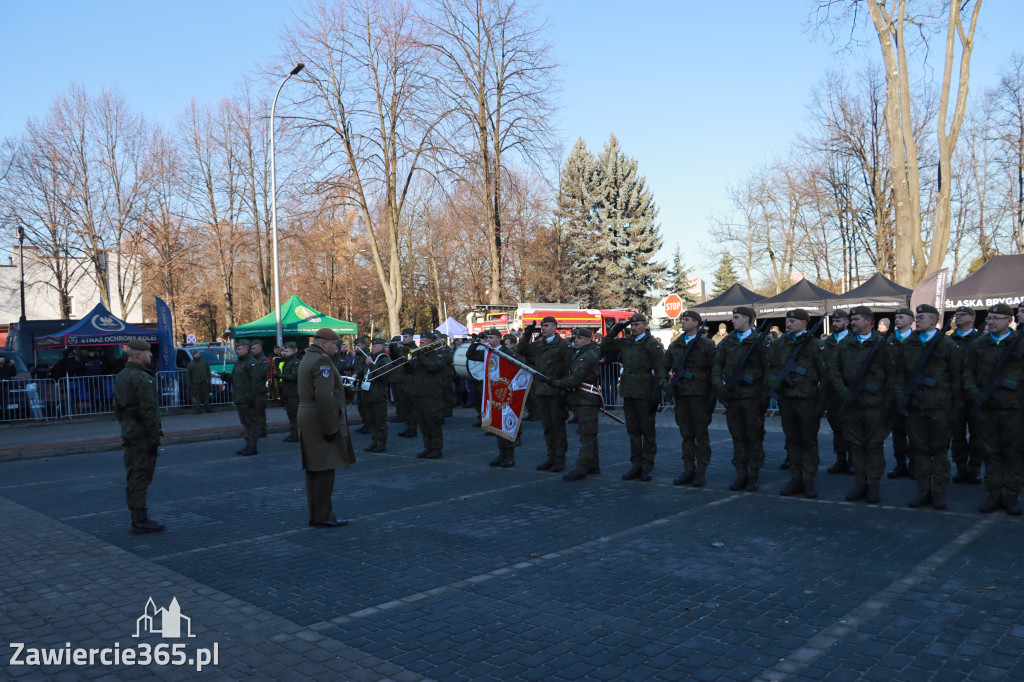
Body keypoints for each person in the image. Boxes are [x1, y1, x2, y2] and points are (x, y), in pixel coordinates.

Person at [828, 306, 899, 504]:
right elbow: (833, 369)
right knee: (856, 447)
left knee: (874, 447)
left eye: (856, 319)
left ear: (869, 321)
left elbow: (893, 375)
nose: (852, 322)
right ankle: (860, 484)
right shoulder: (845, 344)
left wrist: (887, 403)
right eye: (852, 319)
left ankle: (874, 486)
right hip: (852, 406)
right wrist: (842, 390)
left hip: (875, 407)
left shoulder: (884, 343)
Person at [897, 304, 960, 510]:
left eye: (922, 317)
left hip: (941, 407)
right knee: (920, 450)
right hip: (916, 407)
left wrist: (955, 405)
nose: (917, 320)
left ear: (934, 321)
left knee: (940, 451)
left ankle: (939, 491)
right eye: (917, 317)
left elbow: (956, 376)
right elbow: (899, 374)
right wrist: (901, 396)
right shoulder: (909, 344)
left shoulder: (947, 344)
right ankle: (923, 490)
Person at [962, 304, 1023, 514]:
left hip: (1014, 410)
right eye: (989, 317)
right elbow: (967, 372)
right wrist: (973, 391)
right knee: (991, 453)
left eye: (996, 318)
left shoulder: (1020, 343)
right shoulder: (979, 344)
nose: (991, 321)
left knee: (1014, 454)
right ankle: (994, 493)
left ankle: (1012, 496)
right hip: (987, 409)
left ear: (1009, 321)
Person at [297, 328, 354, 528]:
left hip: (309, 416)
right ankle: (323, 516)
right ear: (324, 343)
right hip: (319, 419)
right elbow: (323, 397)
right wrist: (331, 428)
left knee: (314, 471)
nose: (336, 347)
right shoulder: (322, 361)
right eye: (333, 344)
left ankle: (317, 515)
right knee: (324, 471)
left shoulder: (308, 357)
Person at [768, 309, 827, 499]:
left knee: (808, 441)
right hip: (787, 400)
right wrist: (774, 380)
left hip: (808, 401)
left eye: (792, 321)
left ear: (803, 323)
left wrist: (820, 403)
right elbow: (772, 367)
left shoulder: (814, 344)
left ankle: (809, 479)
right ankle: (795, 477)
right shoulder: (781, 344)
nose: (788, 323)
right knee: (792, 440)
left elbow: (825, 376)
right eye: (787, 320)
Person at [602, 312, 665, 481]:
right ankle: (635, 466)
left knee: (648, 433)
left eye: (637, 325)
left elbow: (660, 371)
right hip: (629, 391)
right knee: (633, 432)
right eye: (632, 325)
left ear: (645, 325)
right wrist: (617, 328)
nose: (634, 328)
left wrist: (657, 397)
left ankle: (647, 467)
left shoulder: (652, 344)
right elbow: (605, 344)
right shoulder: (627, 342)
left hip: (646, 393)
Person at [657, 310, 716, 487]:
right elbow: (663, 366)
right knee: (686, 435)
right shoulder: (676, 345)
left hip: (700, 396)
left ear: (697, 323)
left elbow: (715, 371)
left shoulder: (707, 344)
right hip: (681, 396)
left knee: (701, 435)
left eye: (687, 319)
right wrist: (664, 384)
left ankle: (701, 471)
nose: (683, 322)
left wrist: (712, 398)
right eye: (683, 319)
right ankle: (688, 469)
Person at [712, 306, 768, 492]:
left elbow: (769, 370)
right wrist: (720, 388)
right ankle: (741, 474)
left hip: (752, 398)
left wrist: (764, 398)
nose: (733, 321)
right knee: (737, 437)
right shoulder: (729, 341)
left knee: (754, 437)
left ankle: (754, 475)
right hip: (733, 397)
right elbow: (717, 365)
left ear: (748, 319)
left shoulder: (760, 340)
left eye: (736, 317)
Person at [113, 339, 164, 534]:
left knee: (133, 476)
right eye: (148, 353)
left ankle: (137, 516)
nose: (151, 355)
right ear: (138, 355)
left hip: (130, 432)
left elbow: (117, 408)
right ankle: (140, 519)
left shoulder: (122, 376)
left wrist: (127, 426)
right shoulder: (143, 378)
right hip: (143, 435)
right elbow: (149, 410)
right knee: (141, 477)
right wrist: (154, 436)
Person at [517, 316, 574, 473]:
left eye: (547, 325)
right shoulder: (538, 345)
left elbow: (569, 370)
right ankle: (551, 457)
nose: (543, 328)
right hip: (541, 392)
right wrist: (527, 335)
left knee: (558, 428)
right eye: (542, 326)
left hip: (556, 392)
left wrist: (565, 392)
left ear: (555, 327)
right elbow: (521, 350)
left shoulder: (564, 346)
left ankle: (560, 460)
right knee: (547, 427)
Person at [551, 328, 603, 481]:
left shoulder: (586, 356)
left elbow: (575, 379)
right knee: (589, 434)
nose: (576, 340)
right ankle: (593, 464)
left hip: (586, 399)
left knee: (587, 436)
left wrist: (555, 383)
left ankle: (582, 467)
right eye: (574, 338)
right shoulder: (581, 353)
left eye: (579, 338)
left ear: (589, 339)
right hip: (582, 399)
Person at [468, 329, 519, 467]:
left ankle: (510, 456)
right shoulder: (487, 351)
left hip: (505, 391)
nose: (488, 339)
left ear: (499, 338)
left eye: (491, 337)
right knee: (496, 423)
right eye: (487, 337)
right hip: (492, 392)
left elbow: (518, 366)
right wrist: (476, 341)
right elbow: (470, 355)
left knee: (505, 425)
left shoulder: (506, 351)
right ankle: (501, 454)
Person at [949, 306, 982, 484]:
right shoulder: (947, 340)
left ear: (972, 318)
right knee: (958, 434)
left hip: (975, 394)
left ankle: (975, 467)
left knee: (978, 434)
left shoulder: (981, 340)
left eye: (962, 315)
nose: (958, 318)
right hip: (955, 394)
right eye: (956, 315)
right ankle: (961, 467)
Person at [886, 307, 915, 480]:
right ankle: (900, 464)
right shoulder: (888, 339)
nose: (897, 319)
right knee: (897, 431)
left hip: (912, 393)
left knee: (914, 431)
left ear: (911, 320)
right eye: (896, 317)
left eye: (901, 317)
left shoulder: (918, 340)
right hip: (892, 393)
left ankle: (914, 464)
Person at [408, 331, 447, 459]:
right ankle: (427, 447)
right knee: (423, 423)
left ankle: (437, 448)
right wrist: (407, 361)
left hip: (432, 394)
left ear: (431, 342)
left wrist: (421, 357)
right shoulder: (419, 356)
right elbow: (410, 371)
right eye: (420, 342)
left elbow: (433, 367)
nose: (421, 344)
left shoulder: (438, 354)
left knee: (433, 423)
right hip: (418, 394)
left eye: (423, 342)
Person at [824, 309, 852, 475]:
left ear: (847, 322)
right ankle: (840, 459)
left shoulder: (853, 340)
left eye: (838, 321)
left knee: (851, 428)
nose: (834, 324)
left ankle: (853, 461)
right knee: (837, 429)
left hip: (849, 392)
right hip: (832, 393)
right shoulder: (827, 342)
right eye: (833, 321)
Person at [230, 340, 261, 456]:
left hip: (248, 399)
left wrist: (251, 398)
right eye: (236, 349)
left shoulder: (252, 363)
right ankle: (248, 444)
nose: (237, 351)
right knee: (245, 422)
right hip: (239, 398)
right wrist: (226, 378)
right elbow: (234, 378)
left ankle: (252, 445)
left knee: (251, 423)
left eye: (239, 349)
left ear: (246, 350)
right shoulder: (238, 363)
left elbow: (256, 382)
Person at [360, 338, 392, 453]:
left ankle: (381, 443)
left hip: (378, 395)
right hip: (368, 394)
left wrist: (371, 365)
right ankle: (374, 441)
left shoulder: (384, 359)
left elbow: (383, 375)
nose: (372, 348)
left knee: (380, 421)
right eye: (372, 346)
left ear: (381, 347)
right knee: (371, 420)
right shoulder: (370, 358)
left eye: (375, 346)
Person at [395, 329, 418, 436]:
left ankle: (413, 428)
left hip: (411, 381)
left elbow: (414, 366)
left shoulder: (415, 349)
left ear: (411, 337)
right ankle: (408, 427)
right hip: (402, 380)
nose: (403, 339)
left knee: (411, 407)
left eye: (405, 337)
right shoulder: (403, 348)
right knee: (405, 406)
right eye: (403, 337)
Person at [278, 342, 303, 442]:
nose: (284, 353)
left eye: (286, 351)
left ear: (293, 352)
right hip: (287, 392)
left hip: (294, 393)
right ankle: (294, 433)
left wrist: (281, 376)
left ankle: (297, 434)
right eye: (284, 351)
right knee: (290, 414)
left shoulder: (296, 362)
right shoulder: (287, 362)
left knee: (295, 414)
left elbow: (293, 376)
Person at [249, 340, 270, 438]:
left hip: (259, 390)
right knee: (253, 413)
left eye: (254, 348)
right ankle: (255, 430)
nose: (252, 350)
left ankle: (262, 431)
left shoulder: (263, 360)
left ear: (259, 349)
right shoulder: (251, 359)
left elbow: (261, 374)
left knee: (260, 413)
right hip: (251, 390)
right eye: (251, 348)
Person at [186, 350, 212, 414]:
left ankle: (208, 408)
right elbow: (189, 375)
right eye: (195, 354)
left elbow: (208, 372)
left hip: (204, 382)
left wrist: (209, 381)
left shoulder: (204, 362)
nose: (197, 355)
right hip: (196, 383)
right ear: (193, 355)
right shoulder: (190, 364)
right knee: (197, 397)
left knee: (206, 396)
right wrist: (190, 384)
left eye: (197, 354)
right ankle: (198, 409)